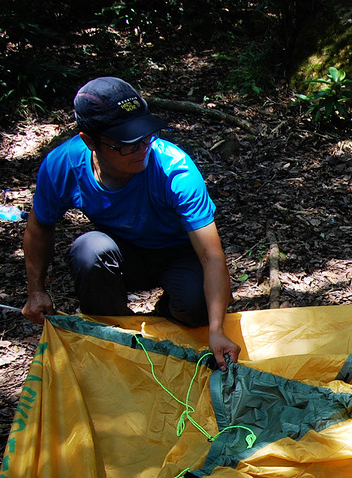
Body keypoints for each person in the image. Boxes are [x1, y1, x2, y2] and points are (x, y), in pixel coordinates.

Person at [21, 76, 240, 369]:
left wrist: (216, 330)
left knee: (196, 307)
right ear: (90, 141)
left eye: (145, 137)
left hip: (177, 252)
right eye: (126, 144)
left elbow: (211, 255)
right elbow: (39, 227)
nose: (141, 149)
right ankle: (113, 334)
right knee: (88, 251)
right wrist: (36, 291)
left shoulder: (174, 169)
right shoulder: (64, 164)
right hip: (121, 252)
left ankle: (168, 312)